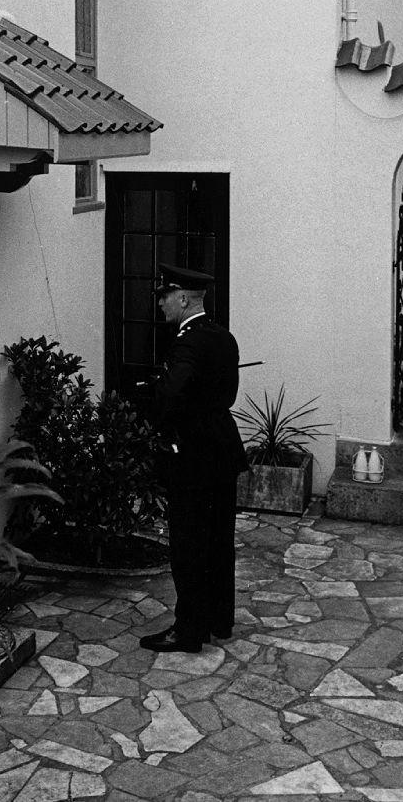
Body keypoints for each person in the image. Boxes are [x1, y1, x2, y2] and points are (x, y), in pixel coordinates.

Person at [135, 263, 248, 654]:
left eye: (165, 296)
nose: (161, 304)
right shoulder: (223, 337)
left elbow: (173, 395)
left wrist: (157, 401)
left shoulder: (186, 342)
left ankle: (189, 630)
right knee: (219, 540)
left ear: (183, 299)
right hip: (223, 451)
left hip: (193, 457)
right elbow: (227, 396)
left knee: (188, 545)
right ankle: (219, 619)